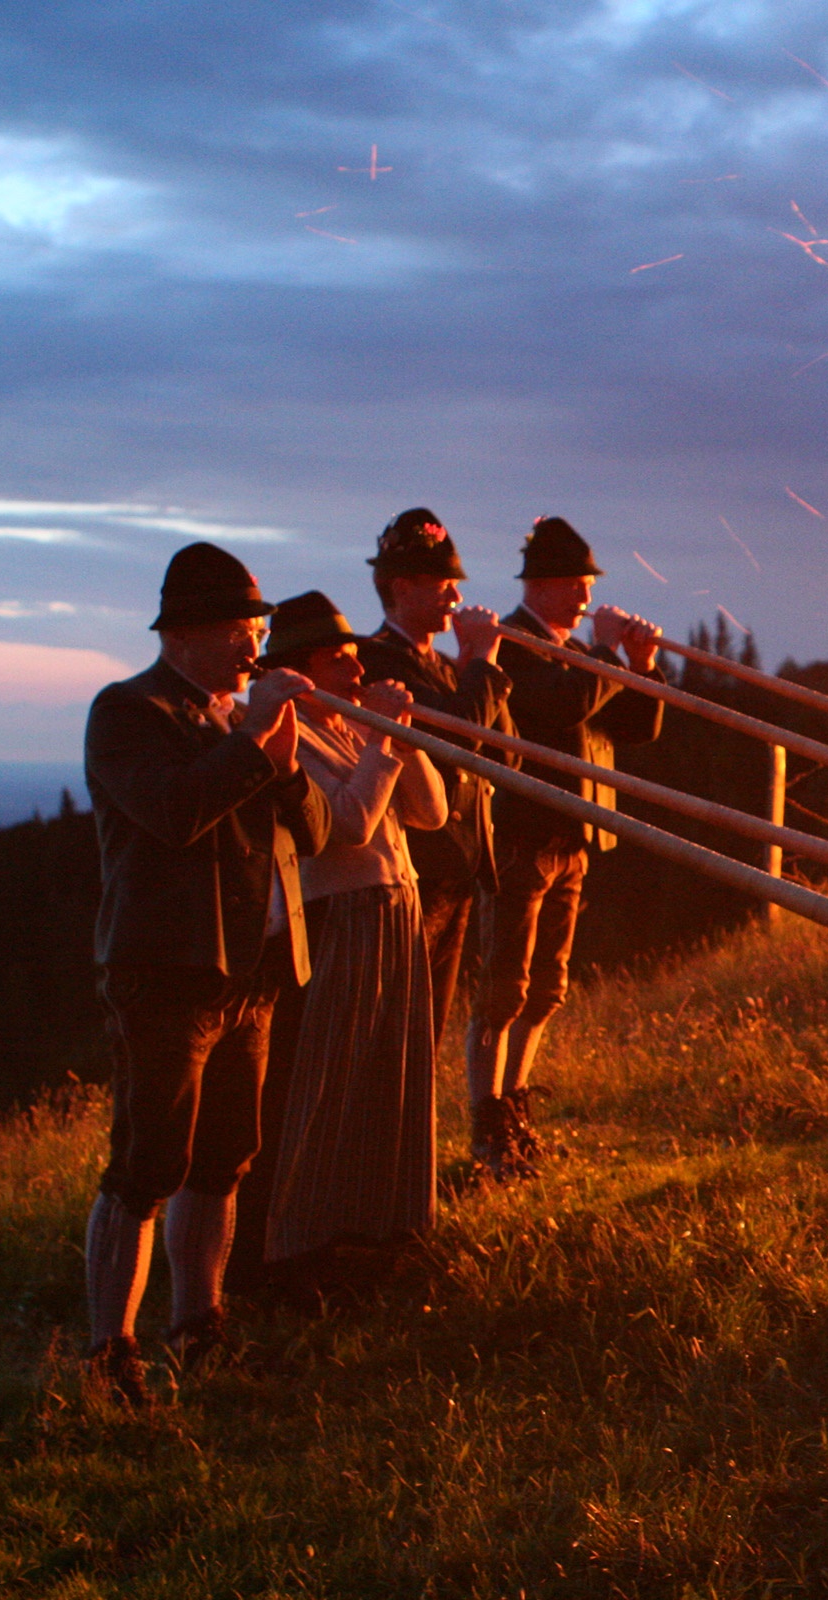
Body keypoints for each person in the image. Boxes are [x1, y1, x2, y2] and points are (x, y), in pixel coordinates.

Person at [82, 542, 328, 1402]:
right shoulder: (126, 711)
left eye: (256, 627)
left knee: (224, 1160)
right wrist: (259, 739)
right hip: (167, 975)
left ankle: (199, 1326)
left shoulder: (237, 719)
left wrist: (290, 765)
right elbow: (176, 813)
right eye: (237, 629)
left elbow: (320, 830)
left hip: (246, 976)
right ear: (183, 634)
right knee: (148, 1165)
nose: (251, 645)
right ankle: (110, 1353)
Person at [250, 592, 449, 1288]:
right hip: (338, 916)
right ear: (301, 670)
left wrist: (397, 737)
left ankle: (380, 1225)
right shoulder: (290, 735)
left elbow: (431, 811)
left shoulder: (351, 728)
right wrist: (381, 742)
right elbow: (347, 826)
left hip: (395, 908)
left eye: (356, 655)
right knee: (329, 1082)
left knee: (389, 1077)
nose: (356, 669)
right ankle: (302, 1243)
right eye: (339, 658)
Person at [467, 515, 664, 1176]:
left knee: (547, 986)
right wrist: (608, 656)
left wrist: (640, 666)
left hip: (575, 832)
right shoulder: (511, 644)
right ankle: (485, 1117)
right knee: (504, 984)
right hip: (523, 831)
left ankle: (515, 1104)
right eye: (577, 588)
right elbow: (558, 708)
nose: (585, 603)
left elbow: (633, 727)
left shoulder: (580, 652)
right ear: (543, 587)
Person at [353, 509, 512, 1053]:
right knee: (395, 1023)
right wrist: (483, 667)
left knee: (430, 1025)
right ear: (401, 587)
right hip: (415, 866)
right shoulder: (376, 659)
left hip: (457, 866)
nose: (454, 600)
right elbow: (454, 747)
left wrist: (477, 668)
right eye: (443, 586)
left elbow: (504, 755)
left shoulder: (447, 666)